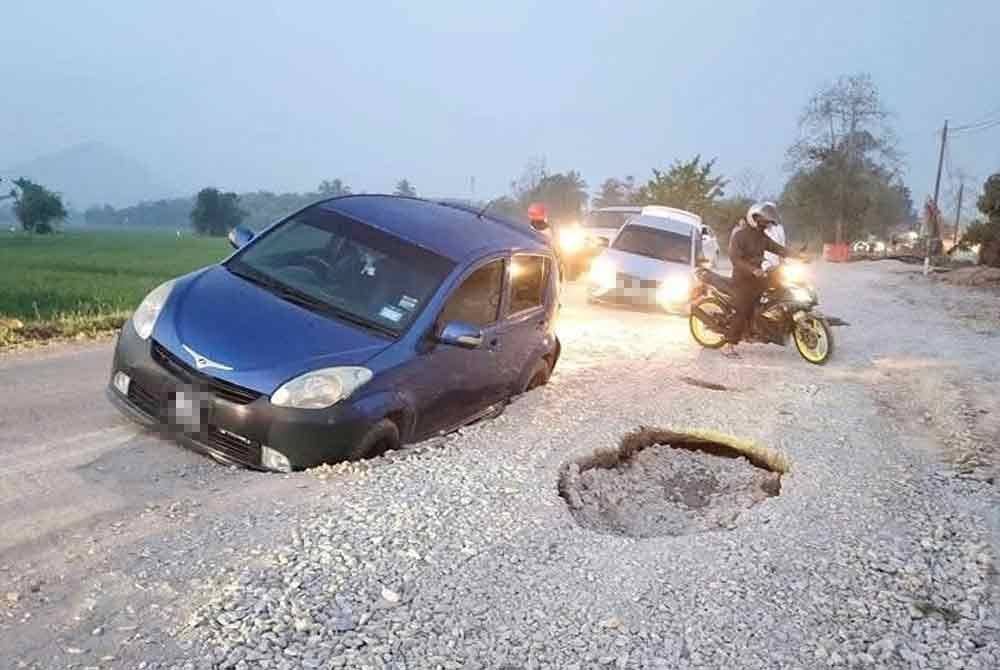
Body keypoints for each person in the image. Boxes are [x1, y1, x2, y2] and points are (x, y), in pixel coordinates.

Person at [723, 201, 792, 358]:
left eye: (768, 221)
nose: (767, 223)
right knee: (743, 310)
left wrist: (797, 255)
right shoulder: (739, 235)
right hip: (742, 280)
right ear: (754, 217)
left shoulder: (761, 237)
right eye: (764, 220)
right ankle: (729, 345)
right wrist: (753, 269)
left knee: (779, 290)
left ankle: (764, 326)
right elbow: (735, 259)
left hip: (758, 277)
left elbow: (778, 248)